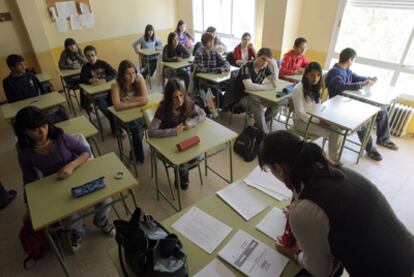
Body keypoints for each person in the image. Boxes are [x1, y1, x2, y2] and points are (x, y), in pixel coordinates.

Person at [259, 130, 414, 276]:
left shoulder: (305, 210)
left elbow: (321, 271)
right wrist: (301, 211)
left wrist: (295, 252)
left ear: (278, 168)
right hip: (407, 250)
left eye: (269, 170)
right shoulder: (337, 172)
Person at [14, 107, 114, 251]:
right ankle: (79, 232)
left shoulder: (60, 136)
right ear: (25, 131)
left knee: (106, 199)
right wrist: (29, 207)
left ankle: (101, 222)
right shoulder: (25, 153)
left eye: (44, 126)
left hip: (80, 174)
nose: (42, 132)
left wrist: (71, 166)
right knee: (70, 218)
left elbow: (86, 152)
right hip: (57, 186)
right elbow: (29, 180)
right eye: (35, 130)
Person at [325, 47, 398, 161]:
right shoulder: (335, 71)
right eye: (353, 60)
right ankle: (370, 149)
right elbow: (340, 86)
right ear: (350, 59)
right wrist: (361, 85)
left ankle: (383, 139)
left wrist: (368, 80)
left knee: (382, 111)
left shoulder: (346, 70)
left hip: (350, 101)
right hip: (339, 106)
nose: (353, 62)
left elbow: (356, 78)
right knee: (362, 121)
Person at [148, 78, 206, 190]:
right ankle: (180, 173)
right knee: (183, 164)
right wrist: (173, 131)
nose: (179, 100)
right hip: (166, 143)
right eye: (175, 97)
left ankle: (181, 171)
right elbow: (151, 132)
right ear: (169, 98)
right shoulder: (163, 109)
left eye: (181, 95)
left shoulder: (188, 103)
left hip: (181, 140)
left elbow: (202, 114)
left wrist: (191, 122)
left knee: (197, 158)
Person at [292, 62, 342, 162]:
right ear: (306, 75)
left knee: (338, 127)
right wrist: (318, 121)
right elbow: (300, 113)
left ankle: (334, 158)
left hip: (314, 118)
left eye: (318, 75)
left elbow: (317, 106)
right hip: (300, 122)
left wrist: (323, 117)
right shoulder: (298, 89)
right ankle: (334, 160)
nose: (315, 78)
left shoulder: (316, 87)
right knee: (333, 132)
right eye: (312, 75)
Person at [3, 54, 68, 123]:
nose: (23, 66)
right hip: (25, 110)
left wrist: (46, 103)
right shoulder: (7, 81)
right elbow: (12, 101)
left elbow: (43, 90)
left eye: (23, 63)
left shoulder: (30, 75)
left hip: (39, 105)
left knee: (62, 111)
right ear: (12, 67)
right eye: (20, 64)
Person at [111, 60, 148, 163]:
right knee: (137, 131)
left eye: (133, 73)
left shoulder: (139, 78)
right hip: (124, 117)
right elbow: (117, 106)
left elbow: (144, 98)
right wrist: (137, 102)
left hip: (139, 112)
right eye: (128, 74)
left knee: (156, 122)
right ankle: (137, 158)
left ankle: (157, 150)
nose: (132, 76)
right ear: (122, 74)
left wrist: (125, 102)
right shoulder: (116, 84)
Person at [237, 47, 279, 133]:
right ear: (257, 56)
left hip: (256, 95)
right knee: (258, 108)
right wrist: (268, 87)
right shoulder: (246, 67)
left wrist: (274, 65)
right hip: (243, 97)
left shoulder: (265, 67)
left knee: (277, 104)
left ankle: (259, 124)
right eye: (263, 59)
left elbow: (275, 83)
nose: (264, 62)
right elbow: (249, 86)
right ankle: (265, 134)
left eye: (268, 61)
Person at [80, 45, 117, 134]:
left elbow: (114, 73)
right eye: (88, 56)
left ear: (96, 54)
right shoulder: (85, 67)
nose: (91, 58)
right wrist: (90, 80)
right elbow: (82, 79)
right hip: (96, 94)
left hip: (108, 90)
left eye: (92, 55)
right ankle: (117, 127)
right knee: (104, 107)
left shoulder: (103, 63)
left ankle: (117, 124)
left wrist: (105, 79)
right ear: (85, 57)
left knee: (116, 104)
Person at [193, 32, 230, 116]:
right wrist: (216, 70)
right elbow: (200, 69)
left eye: (213, 41)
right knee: (210, 91)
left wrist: (225, 68)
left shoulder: (214, 51)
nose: (213, 43)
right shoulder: (199, 52)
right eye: (211, 41)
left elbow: (224, 61)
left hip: (214, 79)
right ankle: (209, 110)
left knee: (229, 85)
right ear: (205, 43)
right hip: (202, 80)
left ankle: (223, 105)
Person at [58, 38, 87, 109]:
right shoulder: (64, 53)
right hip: (70, 78)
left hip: (80, 75)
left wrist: (77, 54)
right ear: (67, 47)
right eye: (70, 46)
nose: (73, 47)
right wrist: (70, 67)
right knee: (84, 83)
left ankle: (85, 103)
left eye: (74, 45)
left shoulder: (79, 50)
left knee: (84, 83)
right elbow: (61, 65)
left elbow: (86, 62)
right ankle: (85, 104)